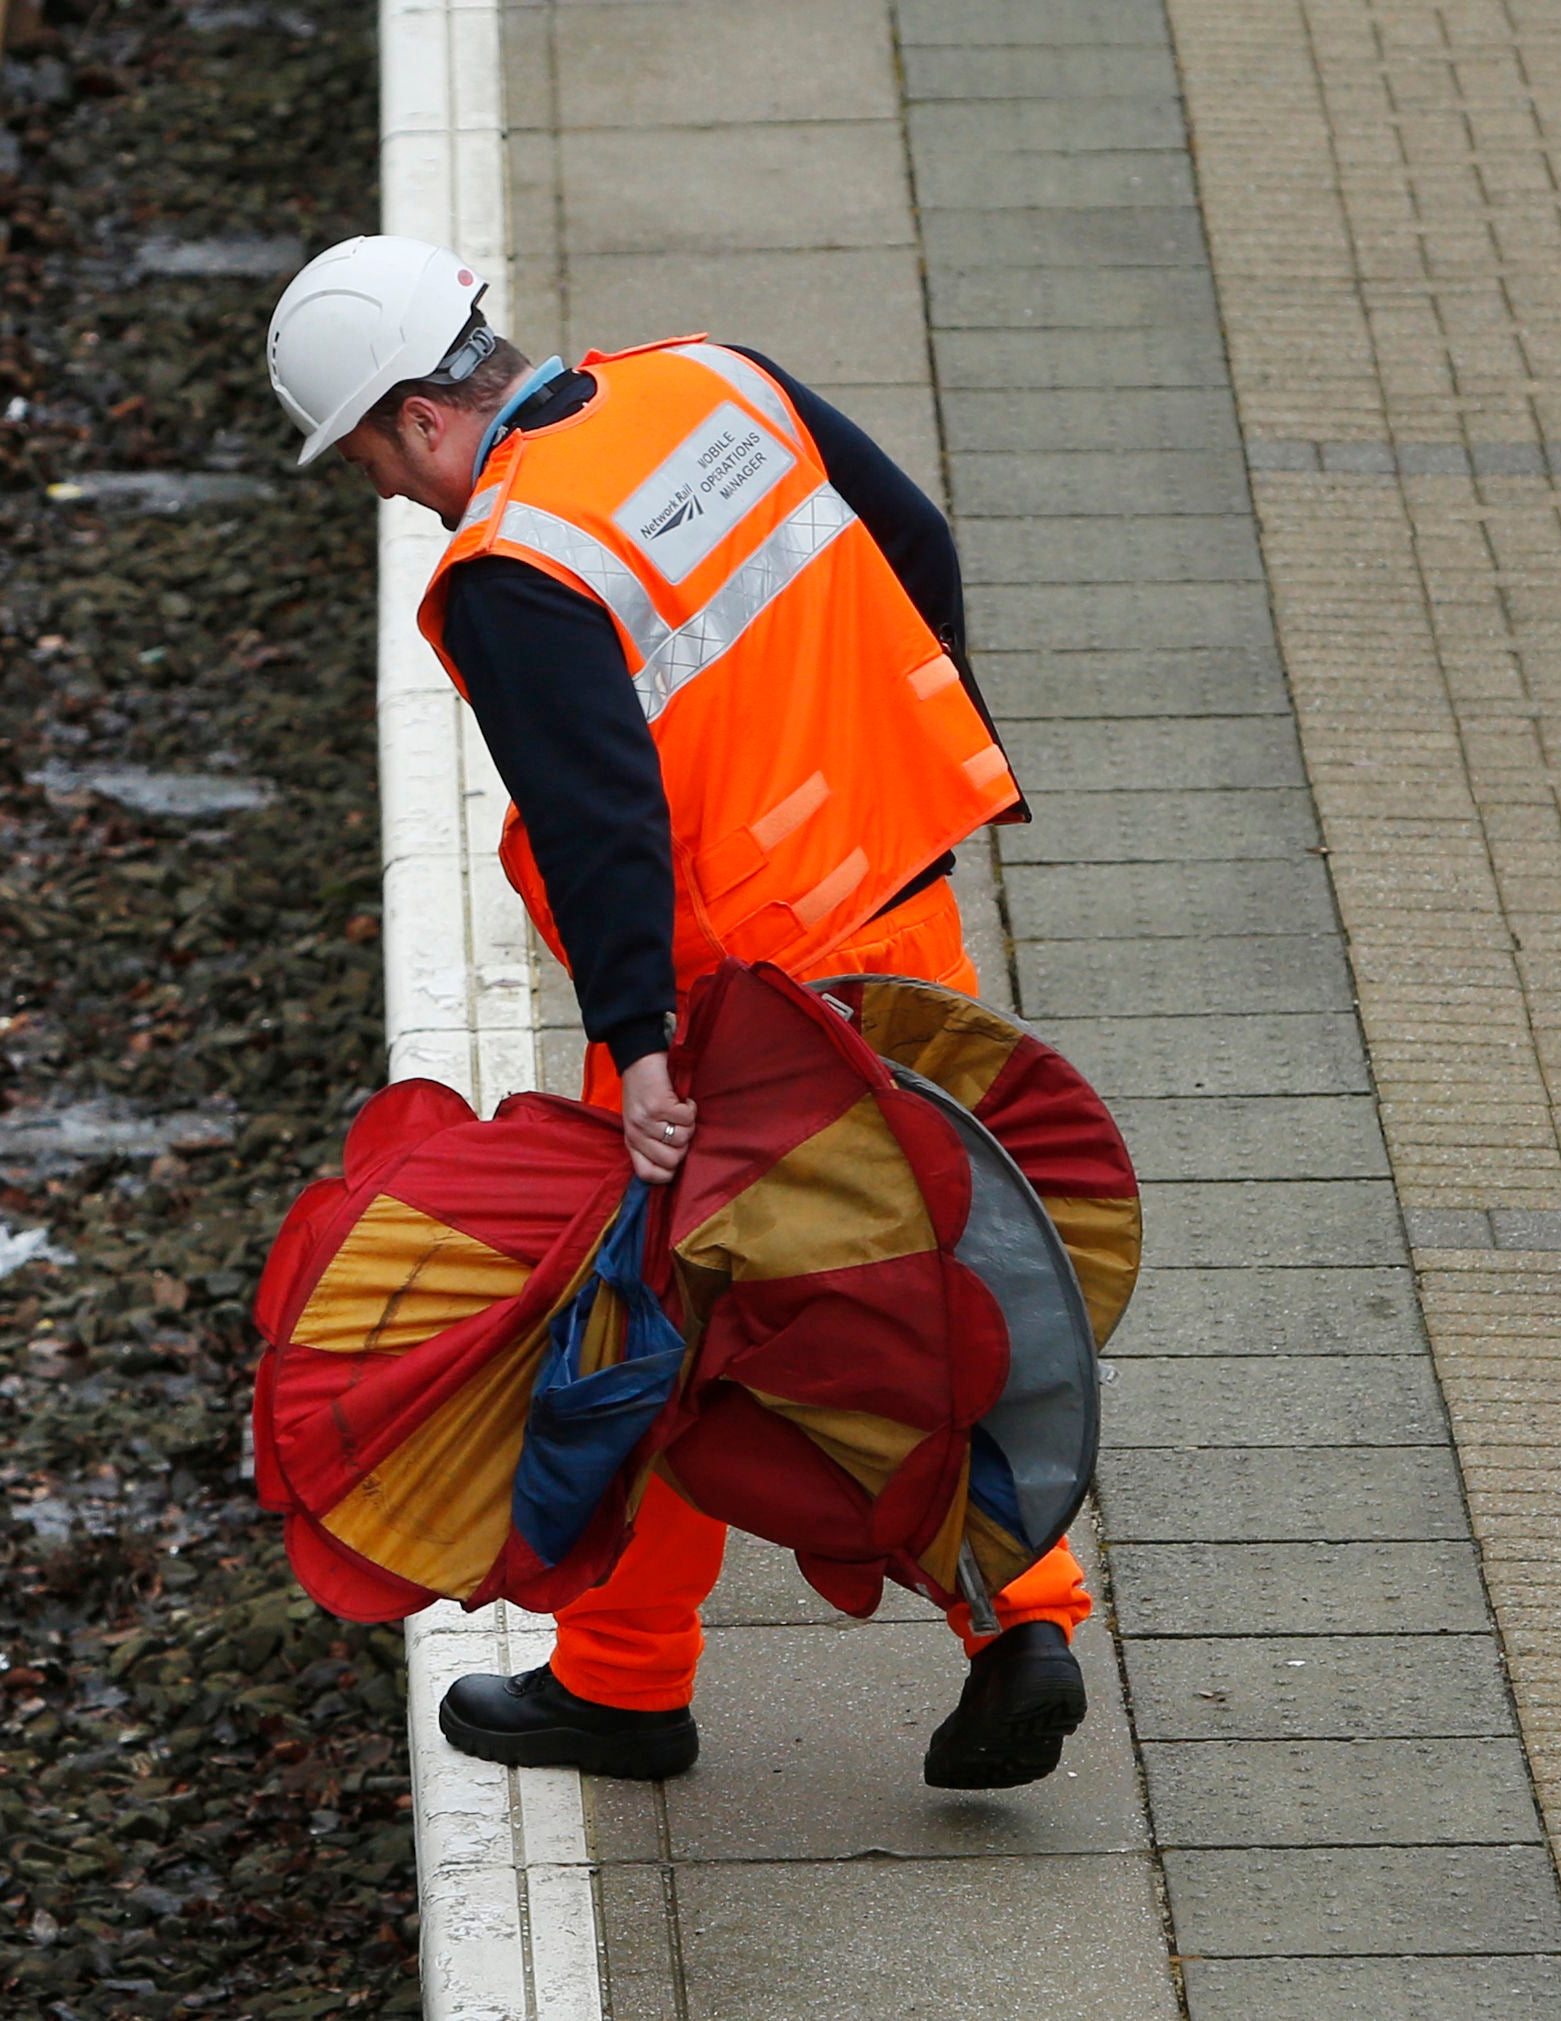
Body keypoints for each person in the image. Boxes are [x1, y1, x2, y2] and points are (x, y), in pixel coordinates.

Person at [264, 235, 1094, 1790]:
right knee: (933, 1269)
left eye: (369, 458)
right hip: (899, 912)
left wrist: (640, 1046)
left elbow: (602, 819)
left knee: (654, 1318)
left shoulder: (514, 565)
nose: (384, 492)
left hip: (730, 1000)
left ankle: (634, 1679)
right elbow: (910, 540)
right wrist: (913, 752)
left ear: (417, 416)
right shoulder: (714, 383)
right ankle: (1014, 1620)